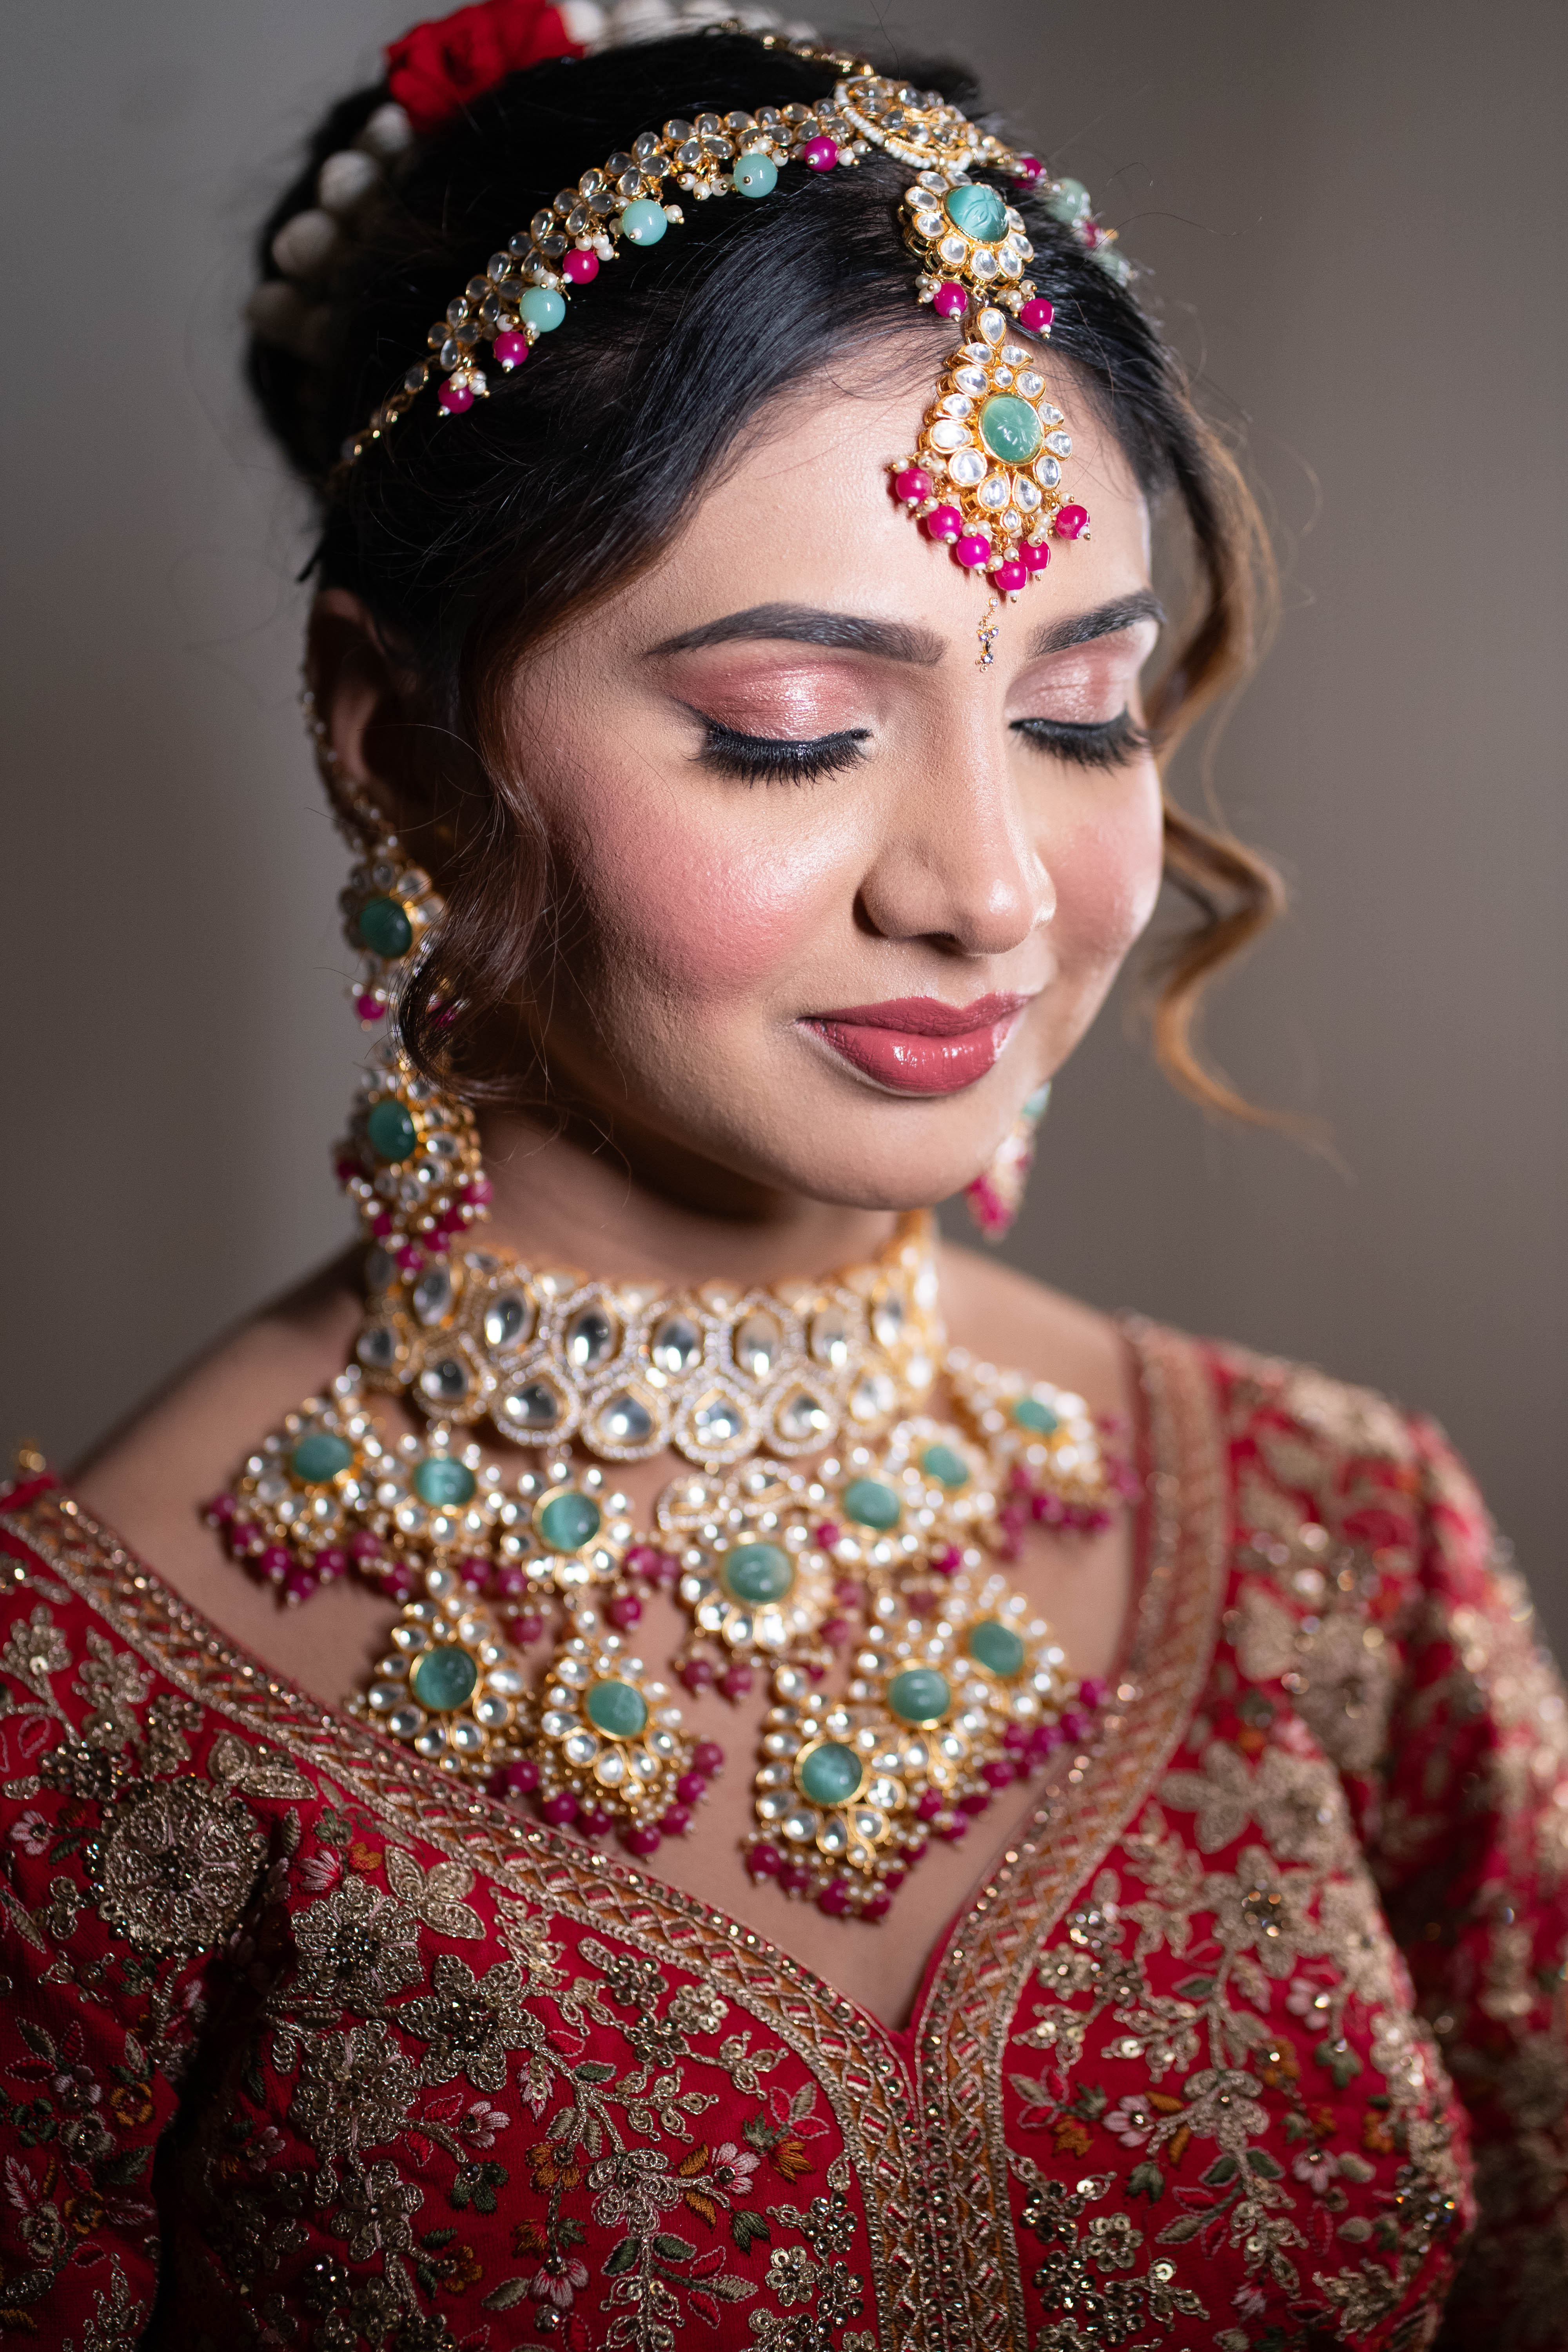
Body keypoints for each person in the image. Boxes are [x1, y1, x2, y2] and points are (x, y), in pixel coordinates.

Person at [2, 4, 1563, 2344]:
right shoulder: (80, 1719)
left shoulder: (1346, 1556)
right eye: (790, 734)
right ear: (400, 748)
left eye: (1076, 714)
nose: (993, 889)